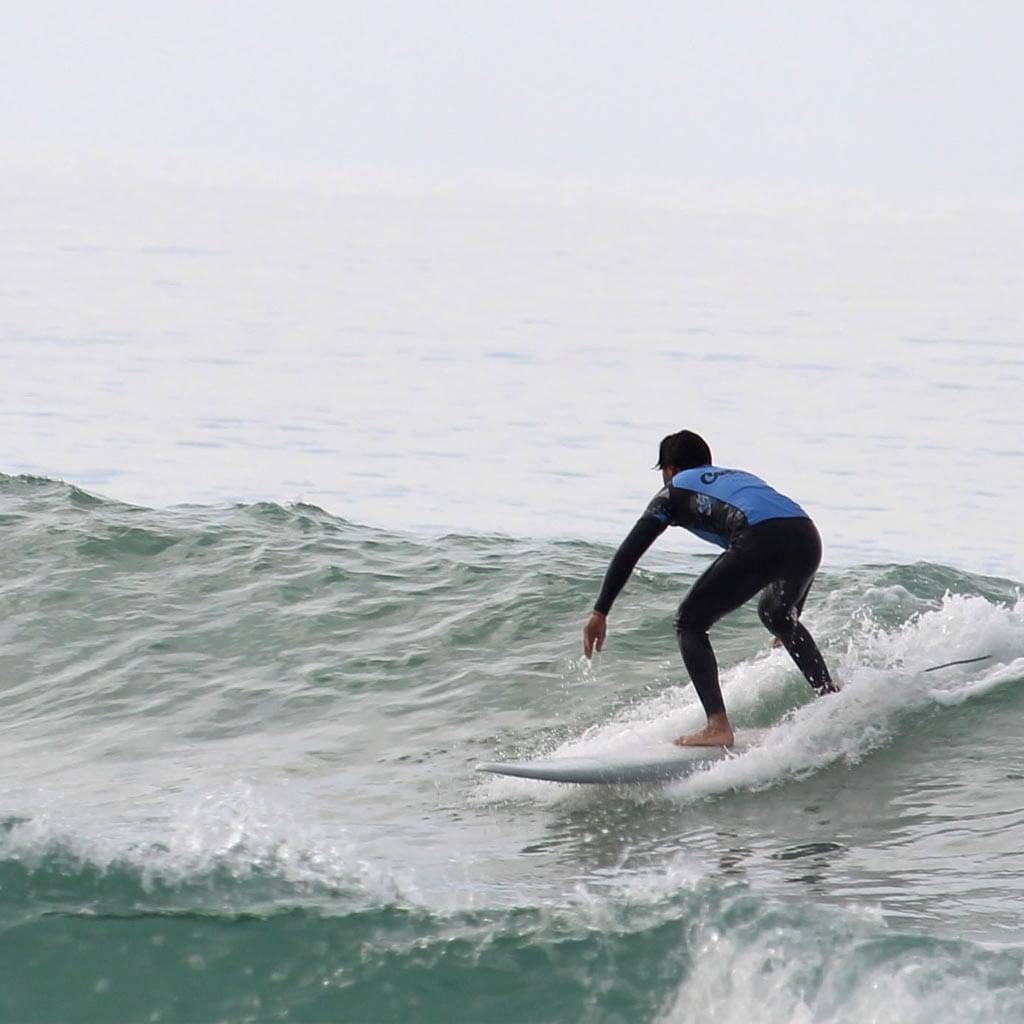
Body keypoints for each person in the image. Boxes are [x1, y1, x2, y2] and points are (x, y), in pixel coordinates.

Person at [582, 429, 837, 747]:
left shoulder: (673, 490)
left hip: (760, 536)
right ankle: (830, 698)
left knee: (689, 622)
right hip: (808, 535)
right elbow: (786, 530)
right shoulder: (738, 477)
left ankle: (718, 726)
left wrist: (600, 611)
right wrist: (791, 612)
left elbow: (630, 550)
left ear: (671, 469)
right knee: (776, 615)